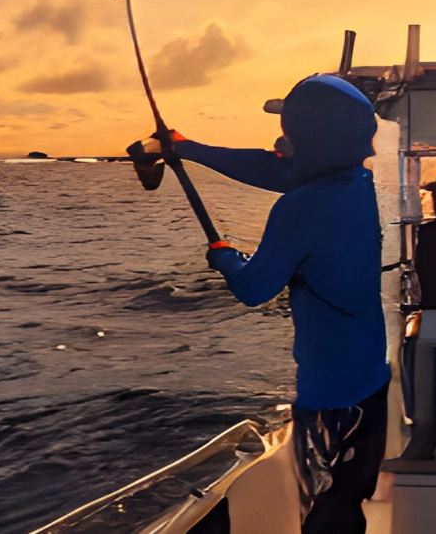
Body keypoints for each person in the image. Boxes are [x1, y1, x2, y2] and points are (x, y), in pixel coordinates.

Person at [159, 74, 389, 534]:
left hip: (330, 398)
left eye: (290, 130)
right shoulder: (359, 183)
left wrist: (224, 256)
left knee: (324, 512)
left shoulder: (300, 206)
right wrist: (188, 148)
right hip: (371, 383)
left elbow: (254, 288)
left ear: (310, 139)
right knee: (349, 500)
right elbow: (274, 170)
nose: (281, 141)